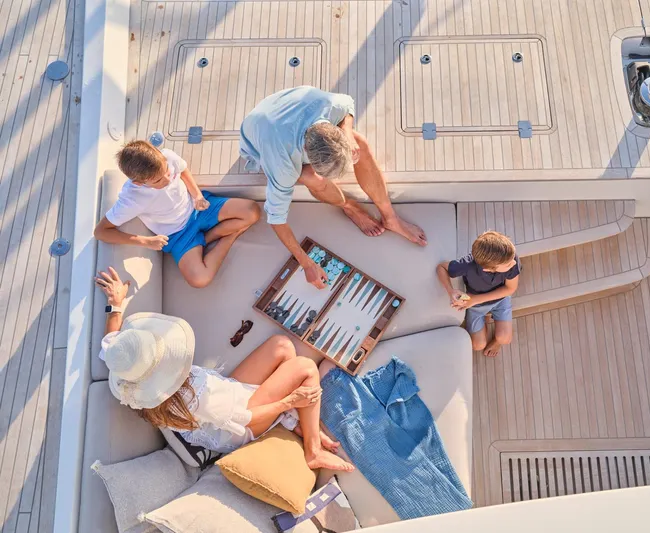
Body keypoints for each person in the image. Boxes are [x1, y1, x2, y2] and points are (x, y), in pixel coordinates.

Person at [94, 266, 353, 471]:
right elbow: (246, 418)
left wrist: (114, 305)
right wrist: (289, 402)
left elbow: (111, 344)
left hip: (230, 393)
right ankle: (313, 449)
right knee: (306, 368)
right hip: (241, 424)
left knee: (281, 345)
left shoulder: (125, 367)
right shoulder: (196, 398)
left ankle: (298, 422)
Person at [239, 86, 427, 289]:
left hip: (291, 110)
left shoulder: (328, 105)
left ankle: (391, 218)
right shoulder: (281, 164)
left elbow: (348, 105)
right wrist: (306, 262)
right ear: (305, 153)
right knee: (313, 178)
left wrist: (347, 132)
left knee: (360, 143)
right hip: (261, 133)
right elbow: (276, 219)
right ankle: (349, 206)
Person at [94, 140, 261, 288]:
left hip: (198, 210)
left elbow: (183, 170)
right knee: (200, 280)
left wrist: (197, 196)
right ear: (139, 183)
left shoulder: (167, 156)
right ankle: (231, 235)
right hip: (177, 235)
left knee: (252, 212)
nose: (168, 179)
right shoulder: (131, 199)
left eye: (167, 171)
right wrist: (146, 241)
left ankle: (205, 239)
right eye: (158, 180)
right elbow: (101, 232)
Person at [436, 231, 520, 357]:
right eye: (508, 265)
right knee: (478, 345)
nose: (514, 263)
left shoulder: (511, 259)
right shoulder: (467, 265)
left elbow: (510, 289)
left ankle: (496, 341)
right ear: (488, 269)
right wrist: (451, 291)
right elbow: (441, 268)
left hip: (499, 299)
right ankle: (484, 319)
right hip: (475, 305)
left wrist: (475, 299)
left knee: (505, 339)